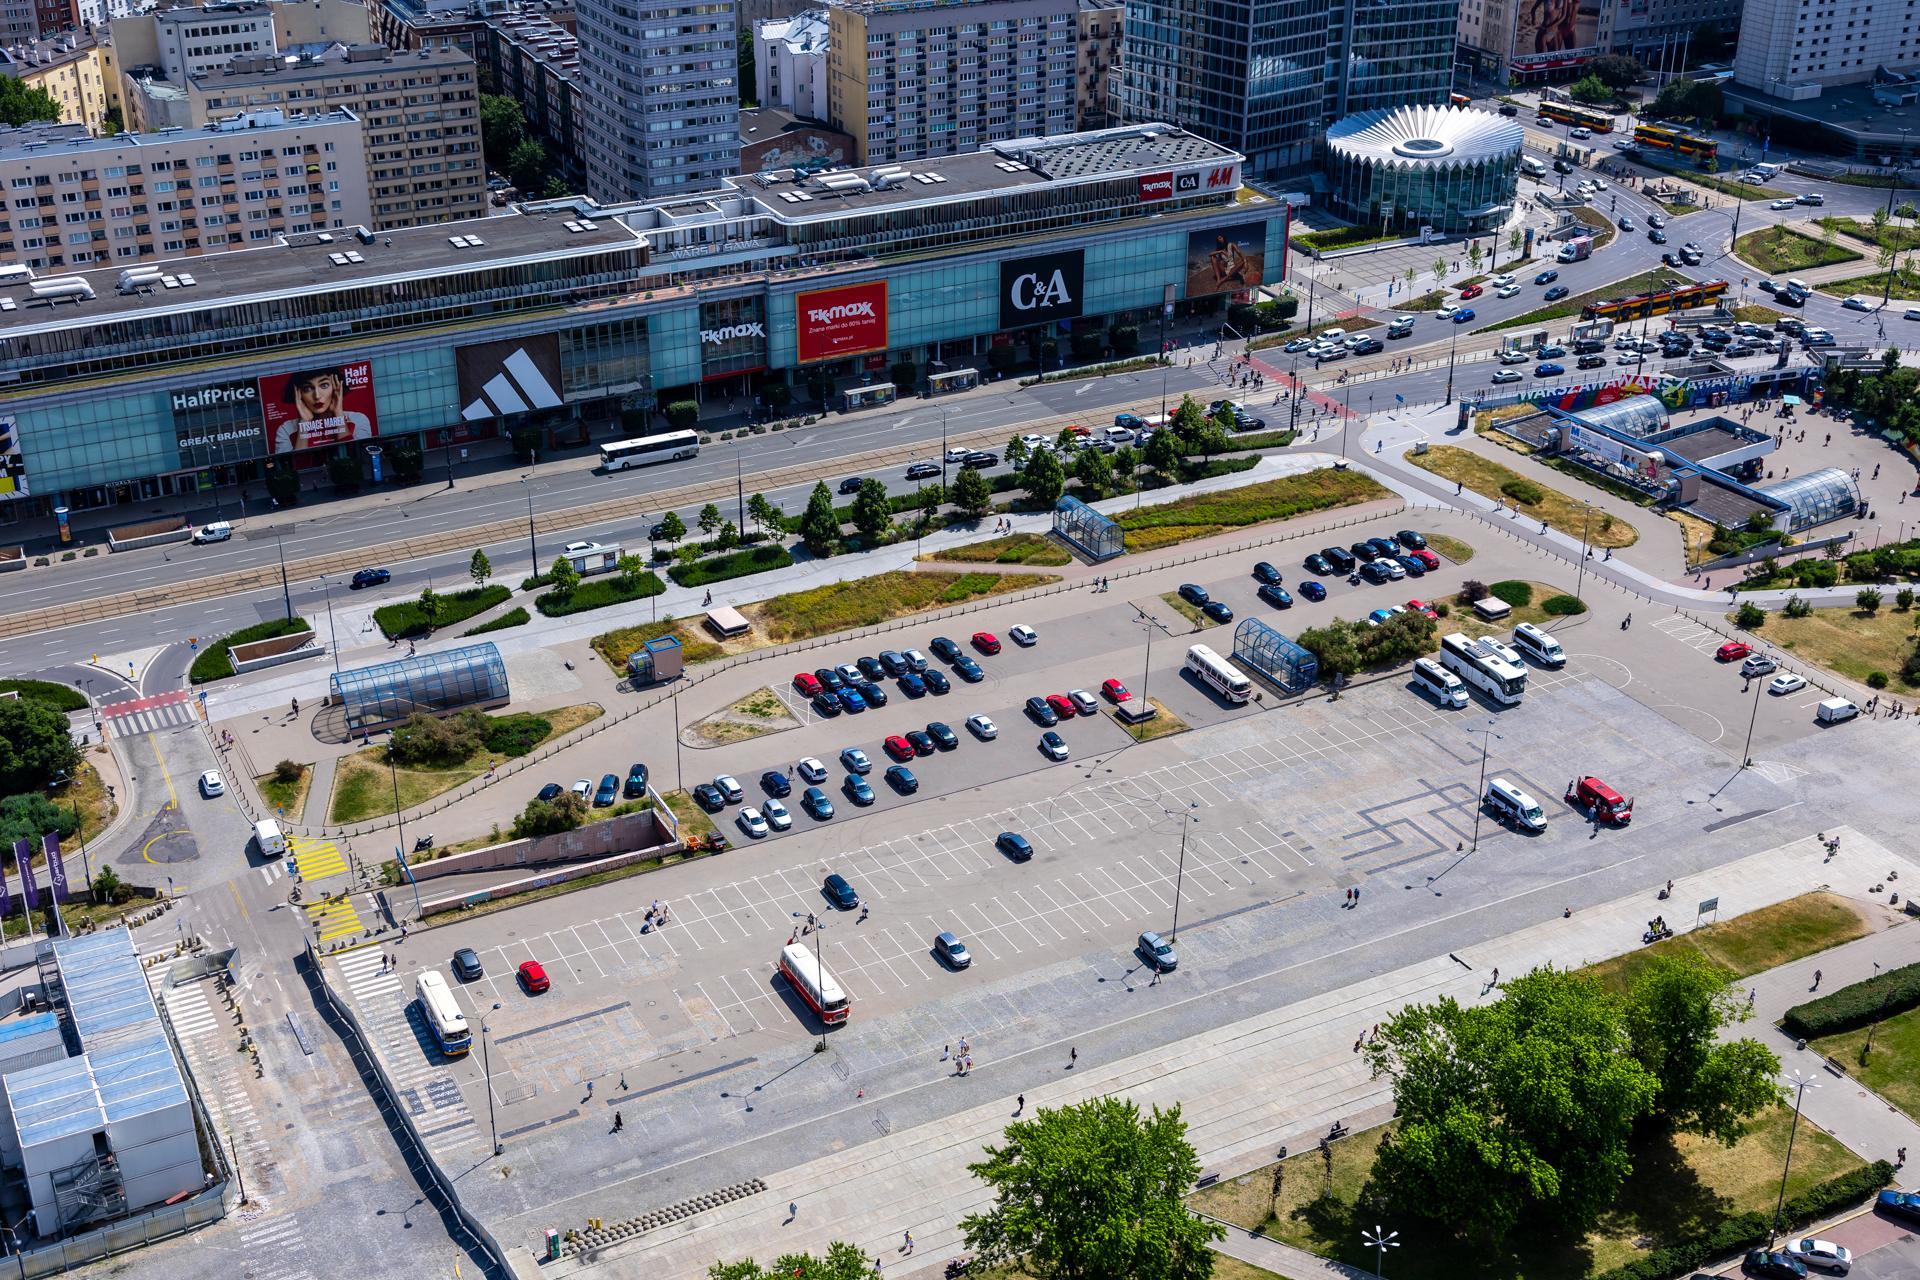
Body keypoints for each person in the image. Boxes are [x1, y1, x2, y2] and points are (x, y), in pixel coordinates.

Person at [269, 366, 374, 453]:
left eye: (324, 385)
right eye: (307, 388)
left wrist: (338, 414)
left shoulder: (358, 419)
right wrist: (304, 424)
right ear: (299, 394)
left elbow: (357, 459)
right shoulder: (286, 430)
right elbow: (296, 469)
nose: (317, 396)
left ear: (336, 387)